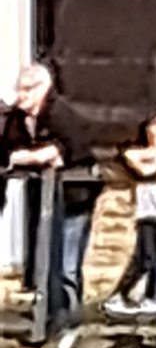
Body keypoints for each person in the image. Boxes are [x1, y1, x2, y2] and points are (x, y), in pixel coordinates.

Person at [0, 61, 98, 332]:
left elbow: (54, 153)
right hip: (42, 196)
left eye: (27, 89)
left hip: (74, 198)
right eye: (19, 89)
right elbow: (12, 147)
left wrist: (20, 157)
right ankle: (49, 316)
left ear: (44, 88)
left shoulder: (60, 114)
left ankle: (68, 319)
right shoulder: (18, 118)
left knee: (67, 262)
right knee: (44, 259)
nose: (21, 96)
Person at [106, 112, 156, 312]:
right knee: (145, 257)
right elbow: (144, 169)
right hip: (147, 212)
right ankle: (121, 292)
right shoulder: (136, 153)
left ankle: (152, 296)